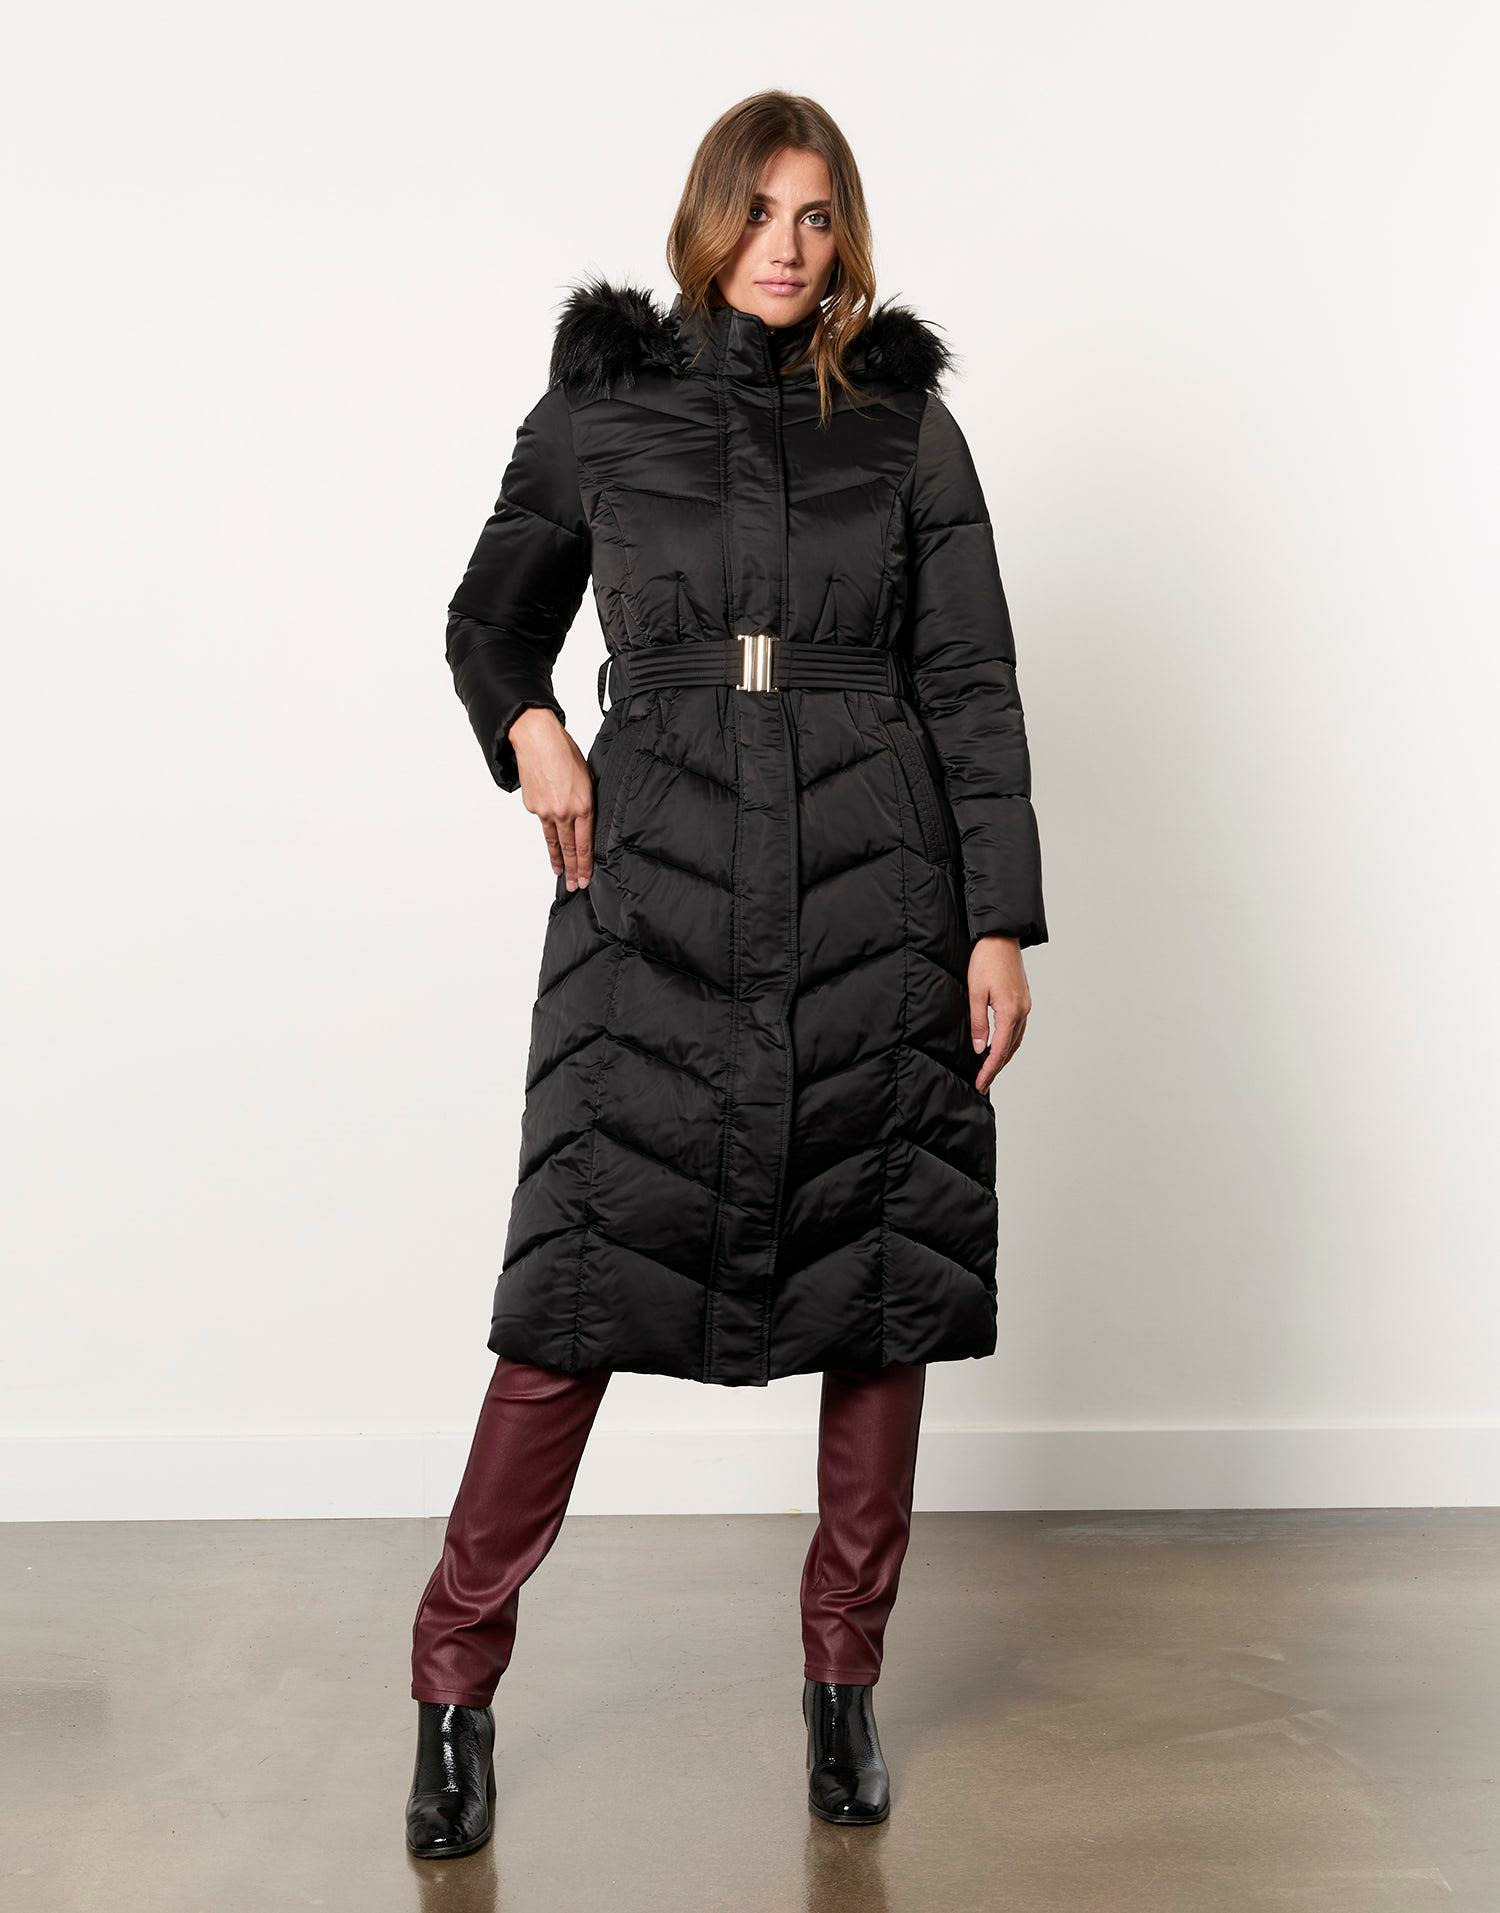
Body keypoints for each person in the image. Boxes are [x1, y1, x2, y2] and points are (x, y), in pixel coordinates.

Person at [405, 88, 1048, 1858]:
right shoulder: (601, 407)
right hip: (657, 886)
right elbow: (489, 617)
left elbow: (971, 684)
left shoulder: (904, 427)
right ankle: (451, 1683)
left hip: (876, 896)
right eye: (759, 210)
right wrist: (533, 728)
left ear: (849, 238)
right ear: (706, 218)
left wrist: (996, 920)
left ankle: (844, 1682)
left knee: (882, 1293)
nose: (787, 244)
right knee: (572, 1288)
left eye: (818, 215)